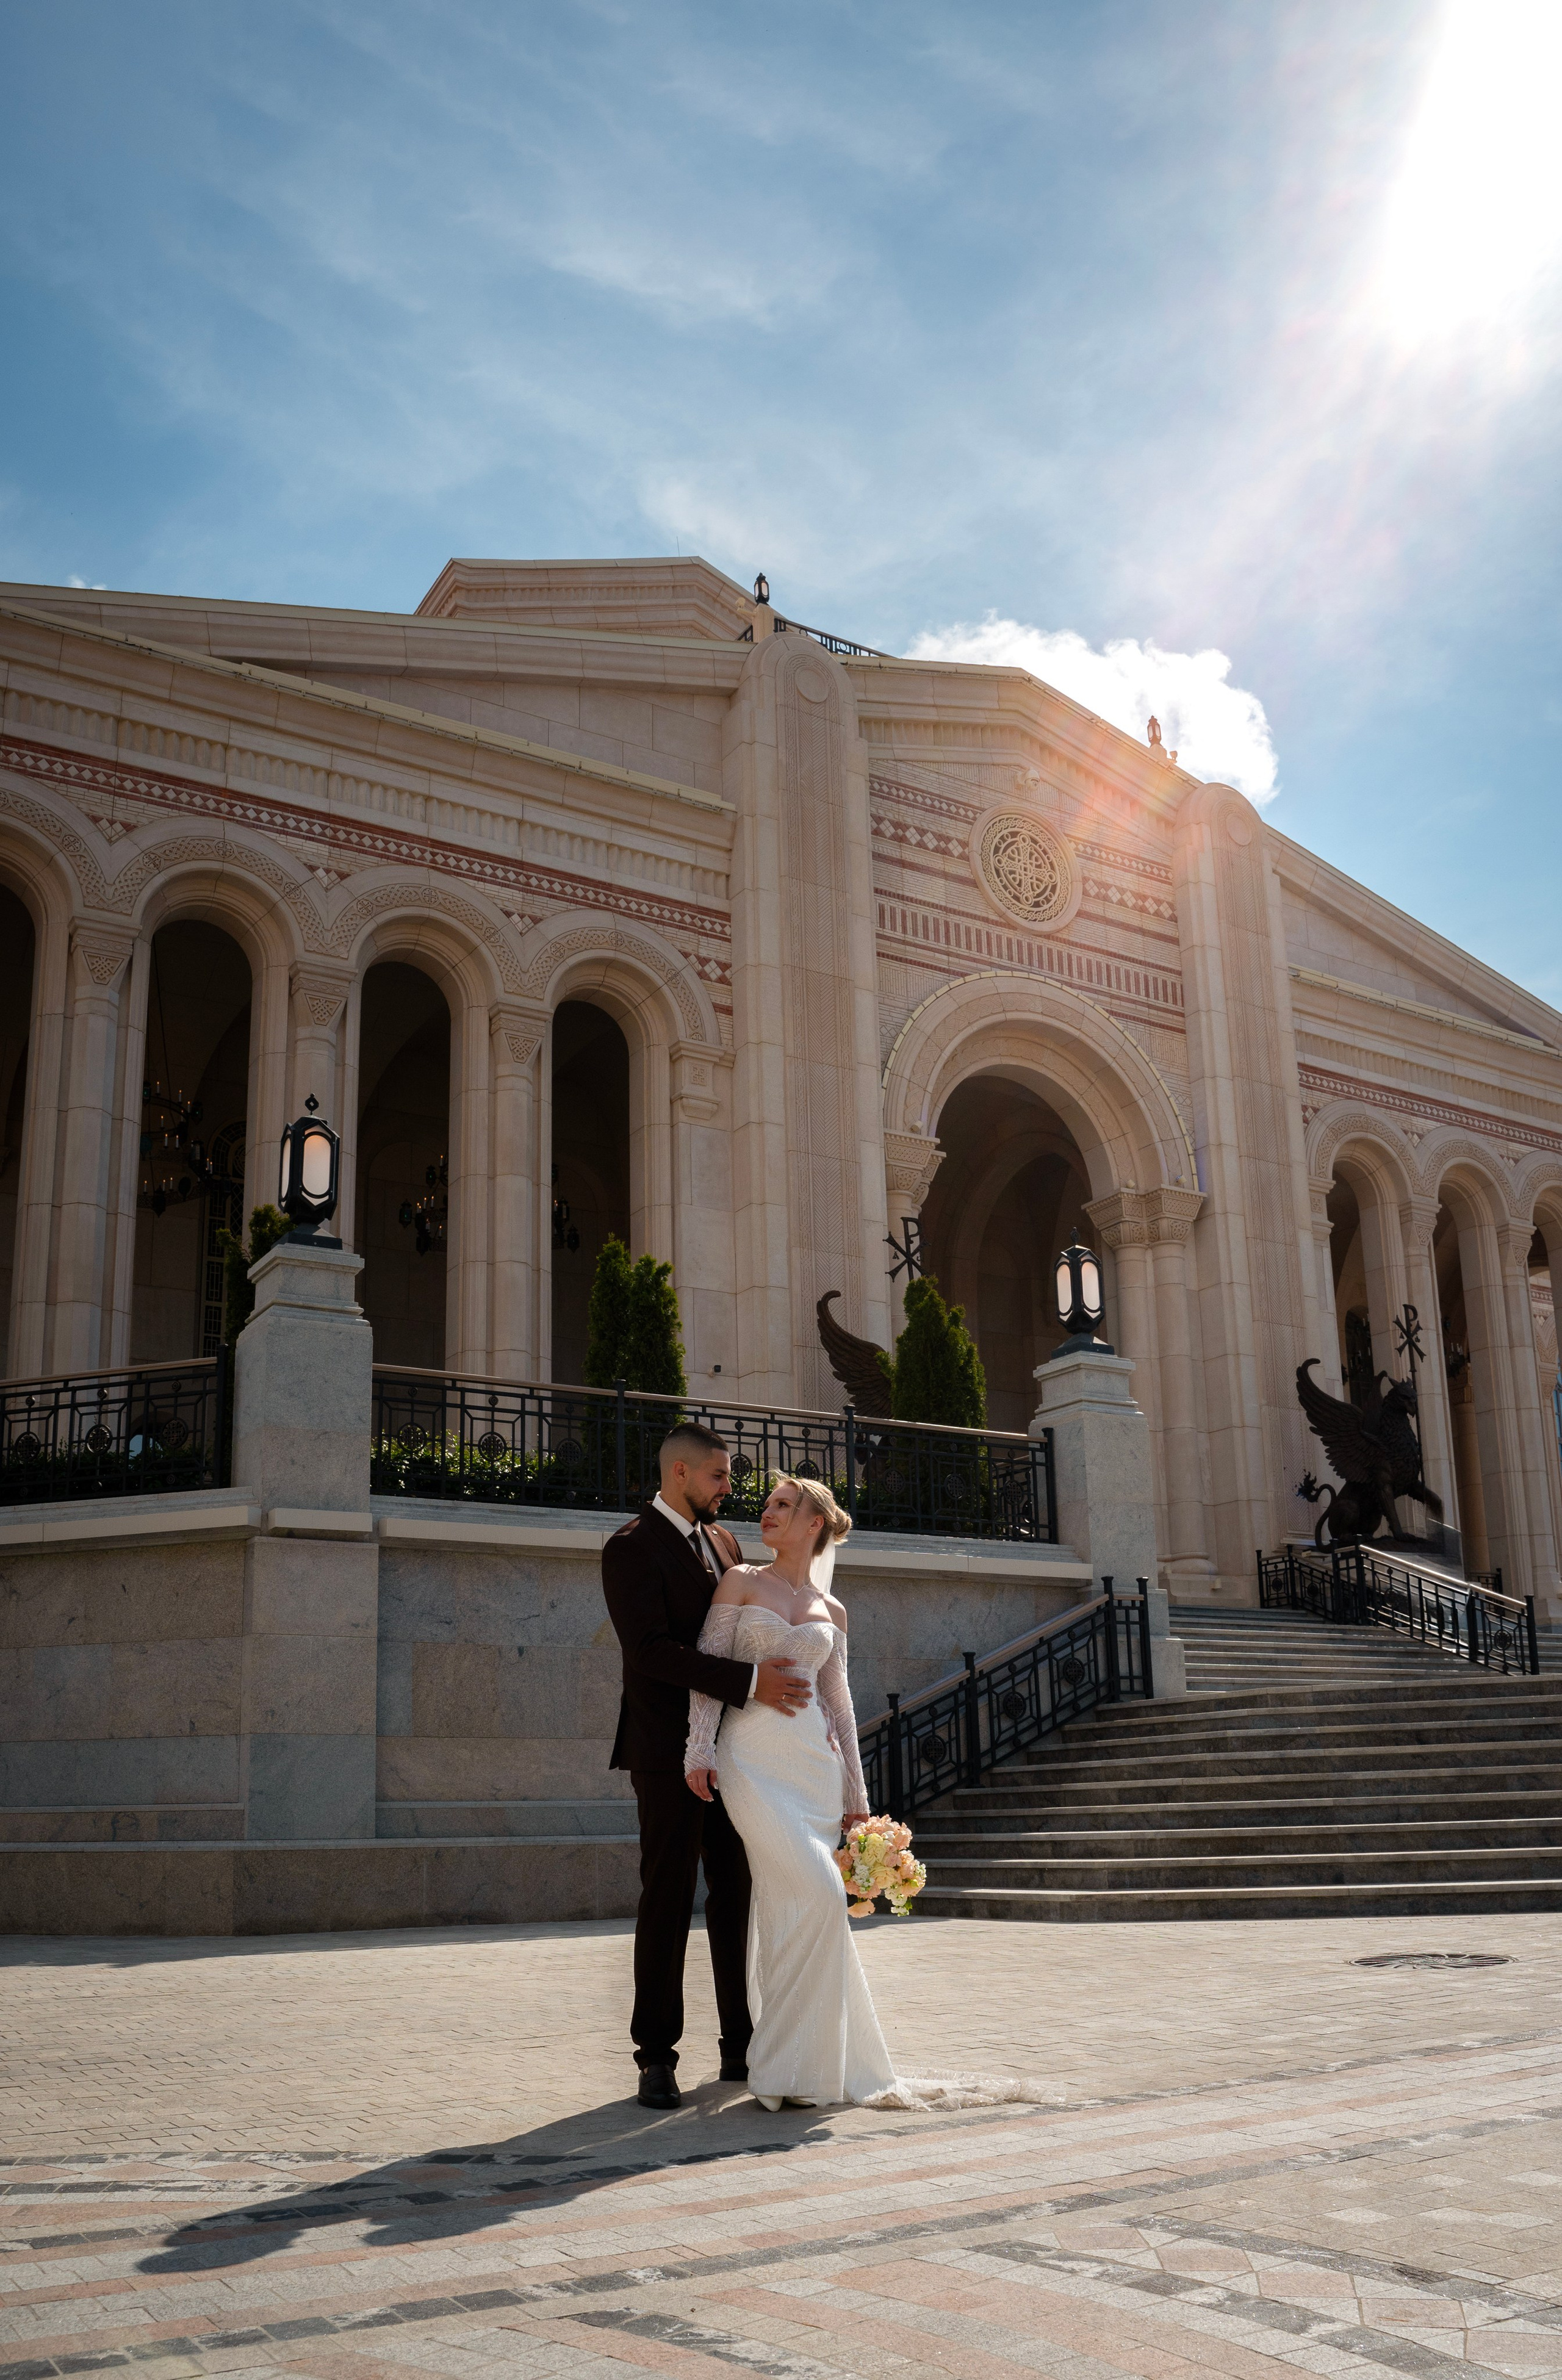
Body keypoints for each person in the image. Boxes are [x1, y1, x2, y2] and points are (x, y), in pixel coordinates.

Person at [686, 1475, 1059, 2115]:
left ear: (813, 1524)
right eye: (768, 1504)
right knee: (818, 1891)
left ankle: (794, 2068)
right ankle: (788, 2061)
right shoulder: (740, 1582)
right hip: (750, 1760)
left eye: (782, 1505)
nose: (766, 1512)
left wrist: (857, 1792)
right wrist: (698, 1748)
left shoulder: (834, 1613)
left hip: (814, 1770)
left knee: (794, 1908)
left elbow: (839, 1702)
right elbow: (706, 1670)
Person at [601, 1422, 816, 2111]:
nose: (729, 1488)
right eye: (719, 1476)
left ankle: (738, 2042)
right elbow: (652, 1652)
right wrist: (753, 1683)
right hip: (665, 1752)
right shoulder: (630, 1548)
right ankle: (655, 2056)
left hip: (738, 1755)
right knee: (666, 1897)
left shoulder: (723, 1543)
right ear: (681, 1475)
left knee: (735, 1892)